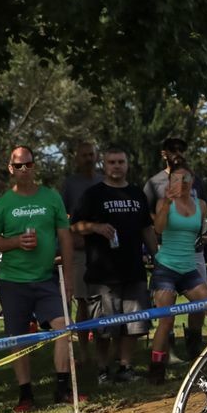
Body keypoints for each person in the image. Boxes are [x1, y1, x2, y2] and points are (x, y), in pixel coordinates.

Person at [0, 146, 83, 413]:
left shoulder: (51, 197)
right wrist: (15, 241)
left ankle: (62, 389)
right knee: (19, 339)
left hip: (46, 279)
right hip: (13, 281)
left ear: (35, 166)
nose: (24, 170)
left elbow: (65, 237)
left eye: (28, 164)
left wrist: (70, 279)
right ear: (10, 169)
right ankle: (25, 394)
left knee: (64, 326)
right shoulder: (3, 203)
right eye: (18, 166)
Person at [71, 146, 159, 384]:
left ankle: (125, 367)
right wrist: (94, 227)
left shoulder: (136, 194)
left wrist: (156, 256)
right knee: (104, 327)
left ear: (127, 165)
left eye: (121, 162)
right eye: (112, 162)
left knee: (133, 324)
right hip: (102, 273)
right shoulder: (93, 194)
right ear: (105, 166)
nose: (117, 166)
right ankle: (102, 370)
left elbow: (146, 229)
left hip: (133, 269)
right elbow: (73, 226)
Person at [148, 165, 207, 383]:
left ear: (192, 181)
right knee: (165, 320)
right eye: (176, 179)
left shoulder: (200, 205)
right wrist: (165, 202)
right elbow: (157, 229)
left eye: (186, 179)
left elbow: (203, 231)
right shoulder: (164, 202)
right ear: (169, 182)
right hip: (166, 267)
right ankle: (156, 369)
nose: (181, 183)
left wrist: (204, 237)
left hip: (188, 267)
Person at [61, 141, 102, 360]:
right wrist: (77, 228)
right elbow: (62, 216)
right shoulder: (70, 184)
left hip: (103, 252)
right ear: (77, 159)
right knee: (84, 302)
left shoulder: (103, 181)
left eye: (91, 155)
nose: (88, 158)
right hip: (79, 251)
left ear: (97, 157)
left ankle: (102, 351)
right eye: (84, 155)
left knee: (101, 301)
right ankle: (84, 352)